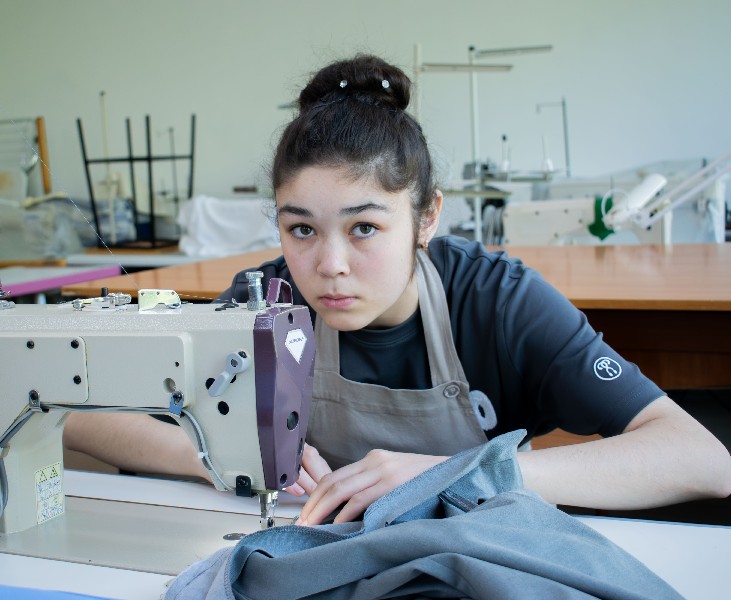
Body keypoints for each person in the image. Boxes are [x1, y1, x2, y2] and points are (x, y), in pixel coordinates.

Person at [64, 54, 731, 527]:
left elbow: (701, 458)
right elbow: (75, 413)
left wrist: (462, 472)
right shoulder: (266, 301)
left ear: (426, 217)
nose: (329, 265)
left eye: (364, 228)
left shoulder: (497, 302)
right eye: (301, 229)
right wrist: (219, 457)